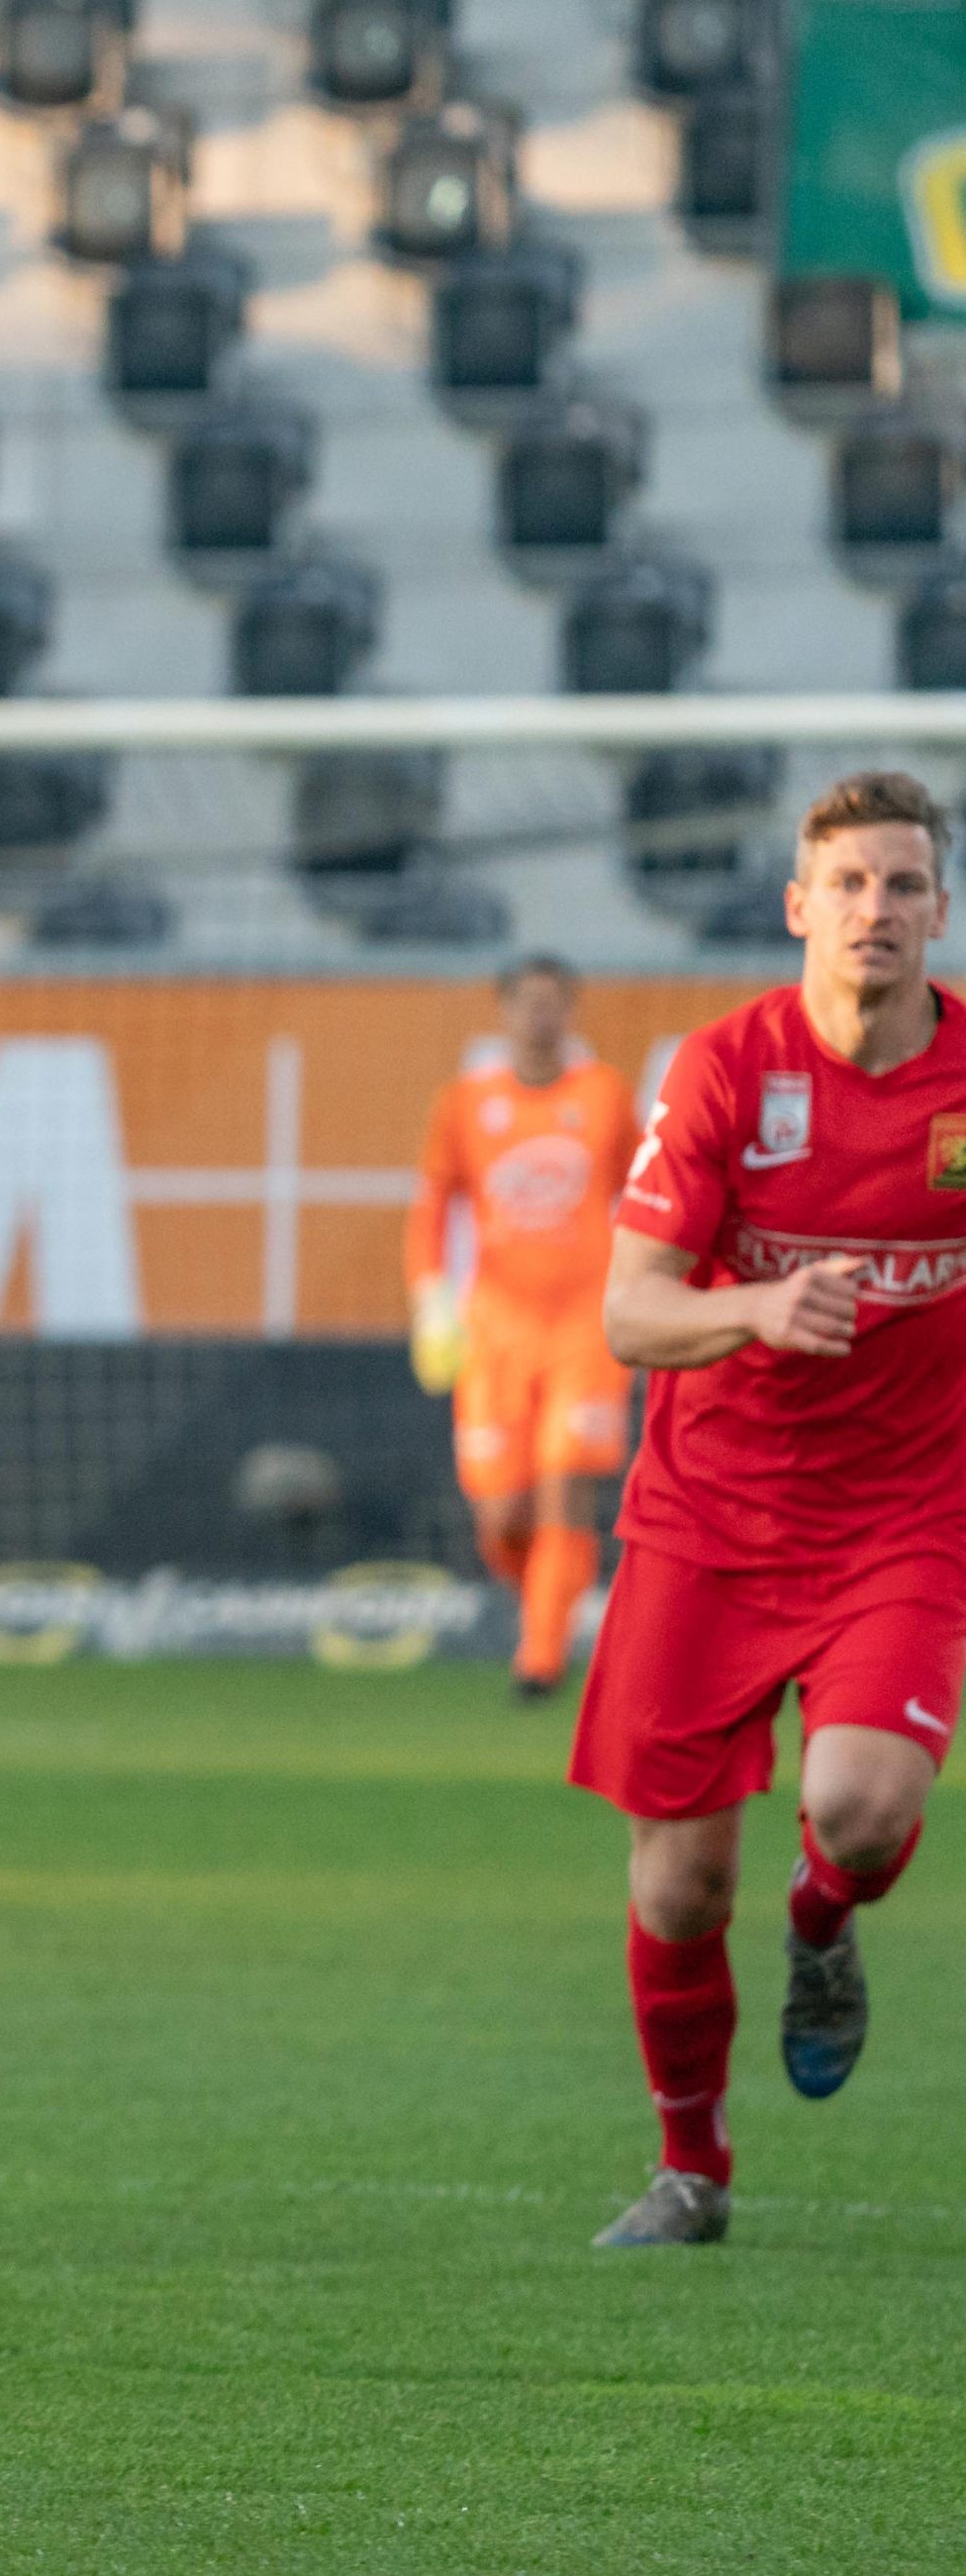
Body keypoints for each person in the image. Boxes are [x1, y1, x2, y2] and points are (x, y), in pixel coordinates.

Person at [581, 770, 965, 2248]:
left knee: (858, 1812)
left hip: (901, 1518)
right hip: (708, 1520)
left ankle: (819, 1924)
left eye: (904, 886)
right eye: (849, 885)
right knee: (676, 1884)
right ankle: (690, 2171)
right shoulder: (722, 1073)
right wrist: (754, 1308)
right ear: (796, 907)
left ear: (935, 911)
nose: (876, 910)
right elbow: (627, 1315)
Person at [403, 955, 640, 1699]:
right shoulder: (465, 1104)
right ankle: (540, 1600)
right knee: (501, 1512)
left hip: (582, 1325)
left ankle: (539, 1656)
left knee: (563, 1489)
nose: (540, 1016)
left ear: (570, 1010)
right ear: (502, 1010)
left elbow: (644, 1196)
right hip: (495, 1329)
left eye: (552, 1003)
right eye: (526, 1003)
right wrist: (430, 1296)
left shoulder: (602, 1095)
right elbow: (430, 1206)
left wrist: (650, 1285)